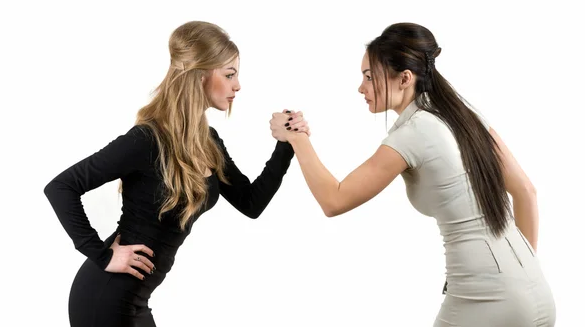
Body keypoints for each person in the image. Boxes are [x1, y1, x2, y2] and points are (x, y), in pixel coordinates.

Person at [270, 23, 556, 326]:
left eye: (369, 76)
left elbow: (334, 200)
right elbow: (527, 191)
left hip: (485, 299)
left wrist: (296, 138)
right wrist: (520, 279)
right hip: (537, 290)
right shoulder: (464, 115)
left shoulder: (414, 132)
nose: (361, 87)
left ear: (405, 78)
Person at [44, 21, 309, 327]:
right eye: (229, 74)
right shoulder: (146, 139)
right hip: (105, 299)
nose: (238, 85)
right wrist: (101, 255)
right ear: (199, 75)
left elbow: (251, 203)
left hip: (136, 302)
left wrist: (287, 145)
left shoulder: (208, 141)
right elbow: (61, 187)